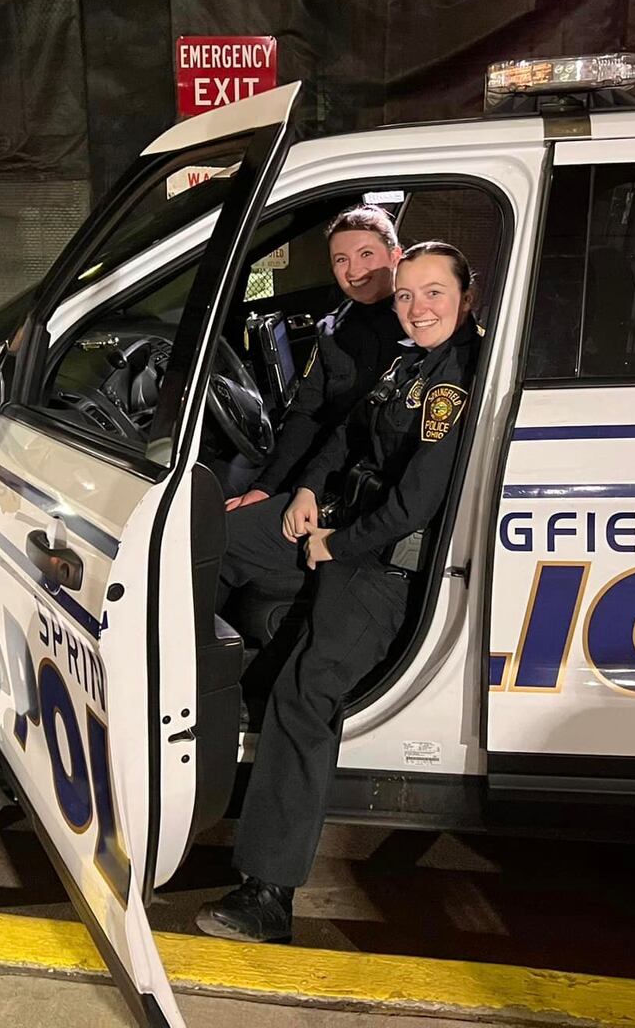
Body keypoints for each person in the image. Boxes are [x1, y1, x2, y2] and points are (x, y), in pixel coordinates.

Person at [198, 241, 483, 943]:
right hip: (338, 522)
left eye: (434, 294)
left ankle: (267, 893)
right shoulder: (404, 360)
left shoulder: (454, 380)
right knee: (217, 539)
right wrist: (304, 490)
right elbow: (346, 434)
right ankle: (182, 689)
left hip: (381, 565)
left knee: (305, 692)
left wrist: (335, 543)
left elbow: (416, 503)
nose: (417, 309)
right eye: (407, 295)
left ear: (466, 297)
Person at [224, 204, 406, 512]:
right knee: (219, 483)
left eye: (366, 255)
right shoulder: (332, 326)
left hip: (360, 485)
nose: (353, 270)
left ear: (395, 256)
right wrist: (266, 487)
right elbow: (307, 412)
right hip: (318, 462)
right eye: (341, 259)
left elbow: (366, 431)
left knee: (228, 531)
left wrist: (305, 487)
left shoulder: (418, 325)